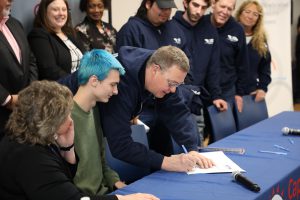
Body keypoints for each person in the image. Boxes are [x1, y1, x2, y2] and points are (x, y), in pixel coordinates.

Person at [0, 80, 159, 200]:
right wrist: (122, 199)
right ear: (51, 122)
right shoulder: (32, 158)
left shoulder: (31, 138)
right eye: (66, 115)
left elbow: (65, 179)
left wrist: (68, 147)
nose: (70, 120)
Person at [100, 45, 214, 172]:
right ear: (155, 69)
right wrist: (167, 162)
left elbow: (177, 112)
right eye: (171, 83)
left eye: (178, 84)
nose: (173, 90)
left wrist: (192, 149)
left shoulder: (161, 66)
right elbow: (120, 145)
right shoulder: (120, 83)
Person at [116, 0, 195, 155]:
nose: (166, 12)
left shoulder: (173, 29)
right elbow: (126, 73)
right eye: (161, 7)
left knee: (164, 153)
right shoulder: (131, 29)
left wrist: (192, 149)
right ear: (148, 4)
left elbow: (178, 111)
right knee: (139, 156)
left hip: (163, 103)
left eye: (169, 9)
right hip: (141, 109)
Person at [171, 0, 227, 142]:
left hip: (196, 100)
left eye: (203, 8)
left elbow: (213, 68)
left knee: (197, 144)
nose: (199, 11)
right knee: (173, 145)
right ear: (185, 3)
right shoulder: (171, 27)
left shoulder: (209, 30)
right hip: (173, 98)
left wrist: (216, 95)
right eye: (195, 5)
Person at [72, 49, 127, 195]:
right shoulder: (64, 117)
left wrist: (116, 183)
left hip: (105, 193)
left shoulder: (94, 110)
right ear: (94, 81)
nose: (116, 91)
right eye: (112, 84)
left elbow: (101, 162)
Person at [0, 0, 38, 140]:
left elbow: (31, 59)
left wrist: (30, 91)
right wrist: (8, 100)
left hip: (24, 115)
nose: (11, 1)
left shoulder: (15, 24)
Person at [28, 0, 84, 81]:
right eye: (55, 9)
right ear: (45, 12)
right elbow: (50, 71)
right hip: (60, 89)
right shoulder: (38, 35)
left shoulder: (71, 33)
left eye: (64, 9)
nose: (61, 13)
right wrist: (77, 82)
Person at [210, 0, 249, 111]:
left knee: (227, 128)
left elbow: (242, 64)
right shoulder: (202, 24)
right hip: (203, 92)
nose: (225, 12)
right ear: (213, 4)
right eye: (222, 6)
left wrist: (239, 93)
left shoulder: (237, 29)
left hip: (227, 92)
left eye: (229, 9)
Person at [235, 0, 271, 102]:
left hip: (250, 93)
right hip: (228, 93)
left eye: (255, 14)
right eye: (247, 12)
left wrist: (262, 88)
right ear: (240, 12)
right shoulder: (228, 33)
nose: (250, 16)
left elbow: (265, 67)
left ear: (259, 19)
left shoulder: (261, 40)